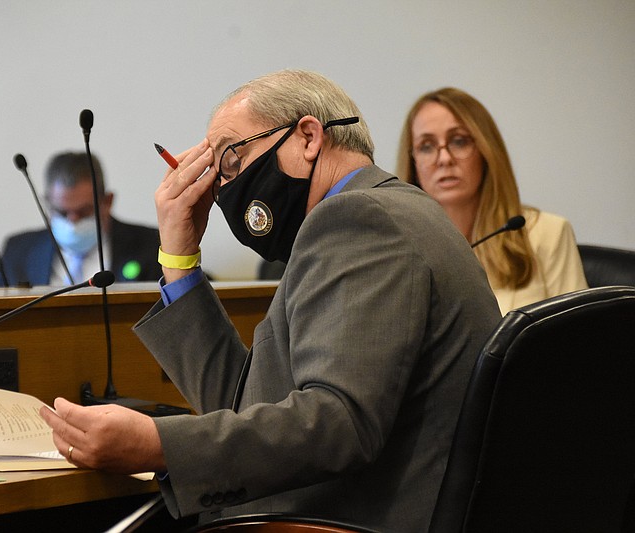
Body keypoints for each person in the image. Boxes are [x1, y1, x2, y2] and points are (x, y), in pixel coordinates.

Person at [39, 70, 501, 532]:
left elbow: (338, 424)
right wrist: (179, 261)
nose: (221, 187)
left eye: (232, 159)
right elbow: (246, 406)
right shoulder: (380, 213)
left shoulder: (358, 218)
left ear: (307, 137)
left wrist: (159, 445)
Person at [397, 87, 588, 314]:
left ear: (486, 151)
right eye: (426, 146)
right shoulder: (401, 250)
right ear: (413, 164)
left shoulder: (548, 233)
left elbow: (579, 338)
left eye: (459, 141)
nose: (445, 159)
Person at [0, 152, 162, 286]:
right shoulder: (18, 251)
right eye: (62, 212)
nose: (72, 221)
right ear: (47, 203)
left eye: (84, 211)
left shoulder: (152, 245)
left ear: (107, 202)